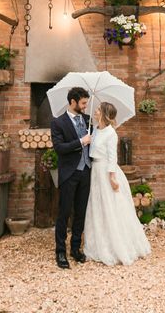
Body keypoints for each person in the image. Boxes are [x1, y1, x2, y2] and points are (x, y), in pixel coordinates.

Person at [83, 101, 151, 266]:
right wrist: (88, 140)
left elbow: (112, 157)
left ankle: (118, 245)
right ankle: (99, 243)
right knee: (98, 207)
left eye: (98, 109)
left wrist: (112, 177)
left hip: (107, 171)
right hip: (96, 172)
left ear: (104, 114)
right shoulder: (95, 130)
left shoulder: (110, 133)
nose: (95, 111)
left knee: (111, 206)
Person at [50, 86, 92, 269]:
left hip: (86, 172)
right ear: (73, 102)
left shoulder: (88, 120)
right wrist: (81, 142)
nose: (85, 107)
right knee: (64, 212)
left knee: (81, 212)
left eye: (86, 103)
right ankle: (60, 251)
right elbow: (59, 148)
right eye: (83, 103)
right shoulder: (58, 123)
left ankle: (76, 248)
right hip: (69, 173)